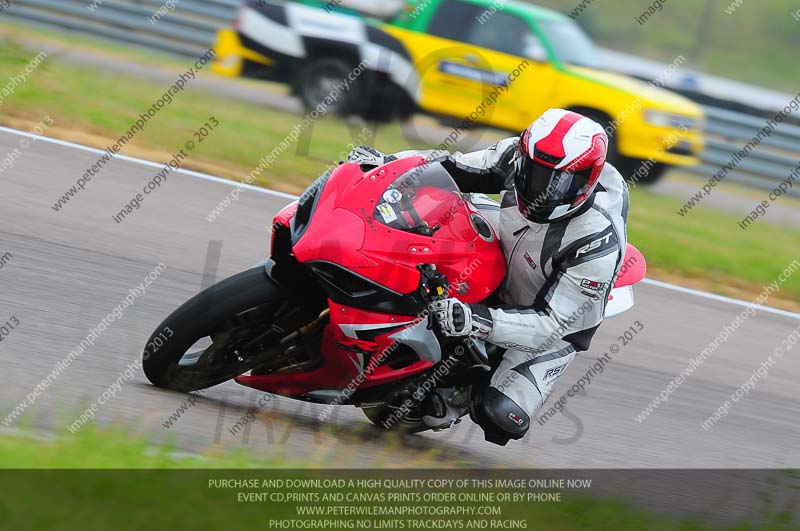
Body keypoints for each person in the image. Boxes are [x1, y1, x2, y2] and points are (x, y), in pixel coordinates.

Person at [348, 108, 629, 446]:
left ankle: (462, 389)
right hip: (507, 239)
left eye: (559, 182)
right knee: (428, 213)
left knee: (500, 414)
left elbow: (552, 324)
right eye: (535, 173)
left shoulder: (597, 241)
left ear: (587, 180)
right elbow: (450, 167)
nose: (542, 190)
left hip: (549, 316)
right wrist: (387, 165)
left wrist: (474, 320)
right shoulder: (517, 155)